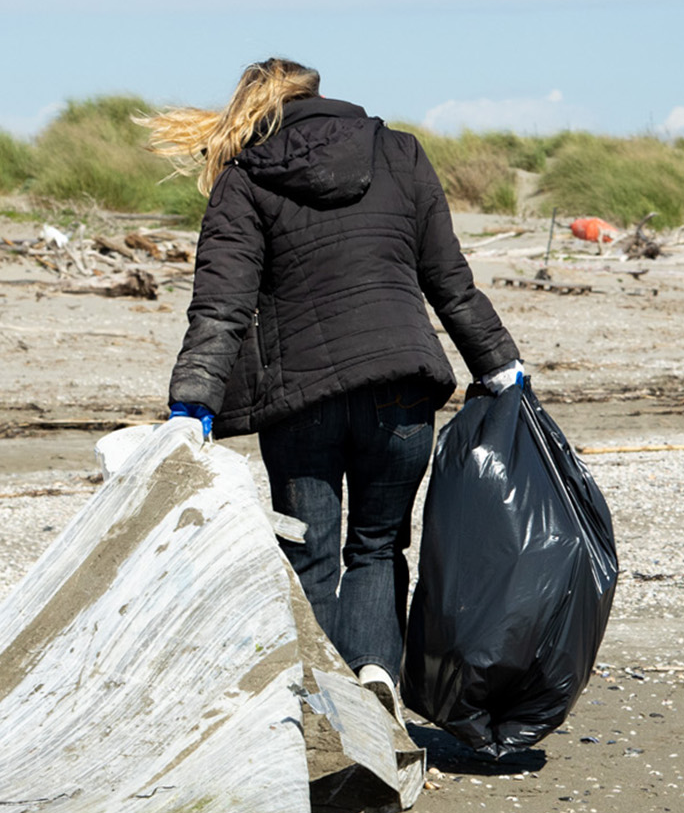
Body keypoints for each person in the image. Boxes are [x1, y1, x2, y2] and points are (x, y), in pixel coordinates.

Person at [152, 59, 524, 700]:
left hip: (301, 401)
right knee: (378, 546)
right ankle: (376, 672)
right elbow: (449, 281)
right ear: (316, 96)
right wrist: (500, 367)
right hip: (402, 384)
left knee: (311, 554)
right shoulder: (400, 154)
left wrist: (191, 404)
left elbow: (221, 307)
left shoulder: (243, 176)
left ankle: (324, 703)